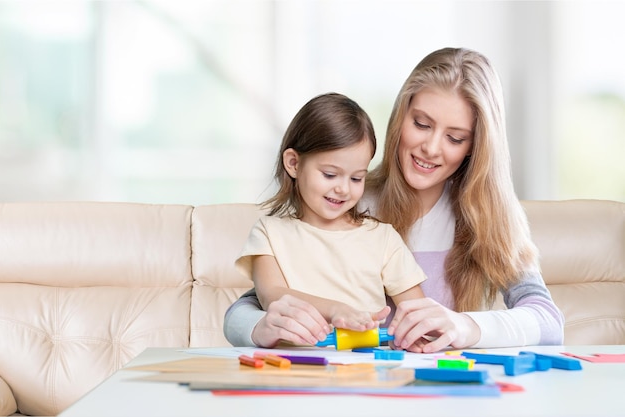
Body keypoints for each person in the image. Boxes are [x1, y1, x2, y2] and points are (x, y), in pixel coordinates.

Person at [224, 47, 564, 353]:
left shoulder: (492, 218)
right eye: (421, 123)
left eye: (455, 138)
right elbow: (254, 303)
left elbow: (548, 321)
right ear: (400, 117)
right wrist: (259, 328)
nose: (431, 148)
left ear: (475, 147)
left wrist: (466, 326)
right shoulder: (348, 201)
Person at [234, 92, 427, 342]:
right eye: (330, 174)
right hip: (292, 368)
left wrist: (420, 337)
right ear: (293, 163)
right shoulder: (268, 232)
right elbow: (273, 295)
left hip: (364, 370)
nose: (344, 189)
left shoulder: (382, 238)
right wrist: (336, 310)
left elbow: (418, 314)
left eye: (357, 178)